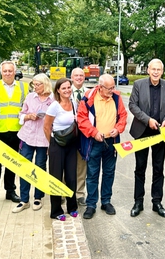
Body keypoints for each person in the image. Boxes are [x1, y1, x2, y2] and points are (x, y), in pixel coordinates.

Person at [129, 58, 165, 218]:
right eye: (153, 69)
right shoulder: (138, 84)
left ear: (162, 71)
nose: (156, 72)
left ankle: (157, 202)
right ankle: (138, 202)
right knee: (140, 168)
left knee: (158, 168)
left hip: (159, 133)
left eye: (159, 69)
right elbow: (132, 105)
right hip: (142, 131)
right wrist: (147, 119)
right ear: (148, 70)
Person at [77, 74, 128, 219]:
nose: (112, 90)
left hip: (111, 142)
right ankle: (91, 204)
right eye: (109, 88)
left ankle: (106, 201)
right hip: (95, 142)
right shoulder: (88, 98)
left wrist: (118, 129)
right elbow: (81, 119)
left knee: (109, 172)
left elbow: (123, 116)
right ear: (100, 87)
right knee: (92, 174)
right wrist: (93, 133)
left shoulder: (116, 97)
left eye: (113, 87)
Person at [0, 60, 29, 207]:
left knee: (12, 163)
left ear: (14, 71)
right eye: (5, 71)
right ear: (1, 72)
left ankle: (10, 191)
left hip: (17, 131)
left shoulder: (24, 87)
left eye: (10, 71)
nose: (8, 73)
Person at [12, 74, 54, 213]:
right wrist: (29, 116)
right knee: (25, 167)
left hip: (43, 138)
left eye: (38, 85)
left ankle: (38, 197)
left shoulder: (53, 99)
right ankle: (24, 199)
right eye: (34, 85)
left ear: (45, 84)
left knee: (40, 167)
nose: (35, 87)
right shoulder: (30, 97)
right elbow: (21, 114)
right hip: (27, 136)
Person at [43, 78, 79, 221]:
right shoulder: (54, 106)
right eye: (63, 88)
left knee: (71, 177)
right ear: (58, 90)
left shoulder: (74, 103)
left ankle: (72, 207)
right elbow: (46, 127)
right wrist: (51, 143)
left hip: (71, 145)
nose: (67, 90)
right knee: (56, 178)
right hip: (57, 145)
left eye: (68, 87)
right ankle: (56, 211)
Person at [71, 68, 87, 206]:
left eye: (81, 75)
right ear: (71, 77)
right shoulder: (64, 90)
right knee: (66, 163)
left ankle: (80, 193)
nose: (79, 77)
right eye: (76, 75)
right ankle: (65, 192)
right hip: (67, 134)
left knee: (82, 164)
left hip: (84, 134)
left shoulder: (89, 93)